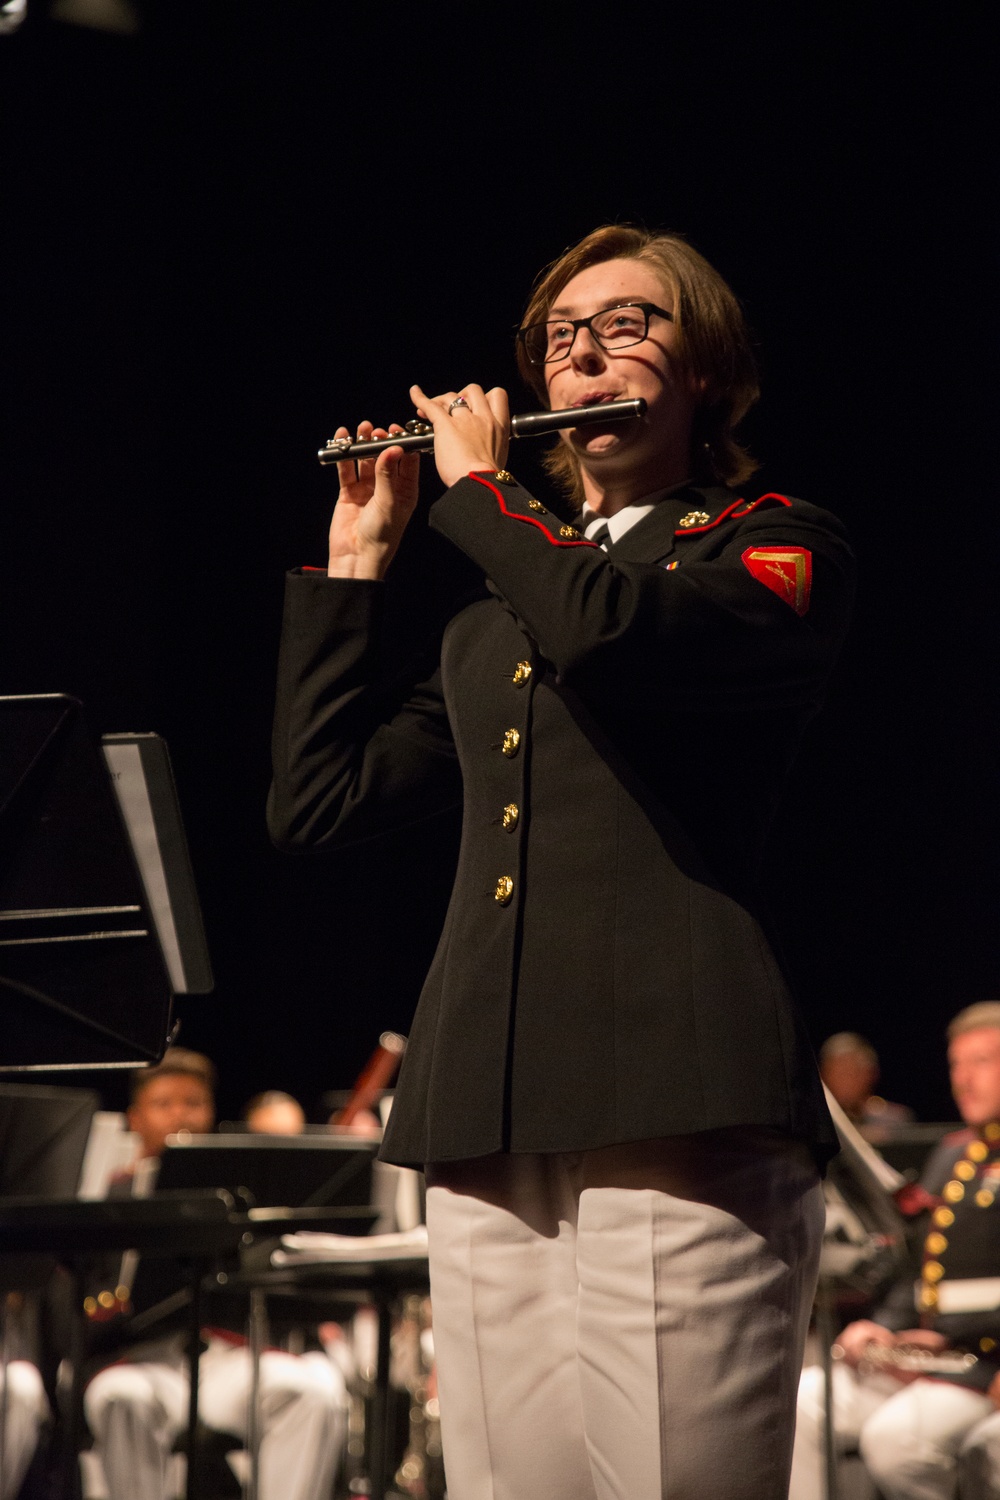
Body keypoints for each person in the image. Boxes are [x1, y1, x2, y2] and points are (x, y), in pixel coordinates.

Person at [268, 224, 857, 1499]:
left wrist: (481, 493)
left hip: (675, 1093)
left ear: (705, 371)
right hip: (488, 1105)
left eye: (627, 326)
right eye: (557, 339)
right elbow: (319, 803)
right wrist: (362, 557)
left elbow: (610, 635)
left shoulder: (765, 544)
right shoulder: (495, 625)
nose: (584, 353)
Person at [83, 1050, 346, 1500]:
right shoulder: (111, 1195)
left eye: (193, 1102)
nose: (180, 1115)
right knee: (116, 1397)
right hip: (148, 1360)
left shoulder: (237, 1194)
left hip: (228, 1356)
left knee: (312, 1394)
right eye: (163, 1103)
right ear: (134, 1117)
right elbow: (87, 1305)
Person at [790, 1002, 1000, 1499]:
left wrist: (943, 1341)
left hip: (982, 1363)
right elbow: (920, 1265)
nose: (963, 1079)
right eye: (956, 1064)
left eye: (983, 1062)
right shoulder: (955, 1155)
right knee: (798, 1404)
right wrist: (885, 1326)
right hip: (932, 1357)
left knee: (895, 1443)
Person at [819, 1031, 914, 1141]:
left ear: (871, 1074)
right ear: (823, 1075)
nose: (845, 1082)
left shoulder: (893, 1120)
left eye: (852, 1073)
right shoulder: (813, 1121)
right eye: (838, 1073)